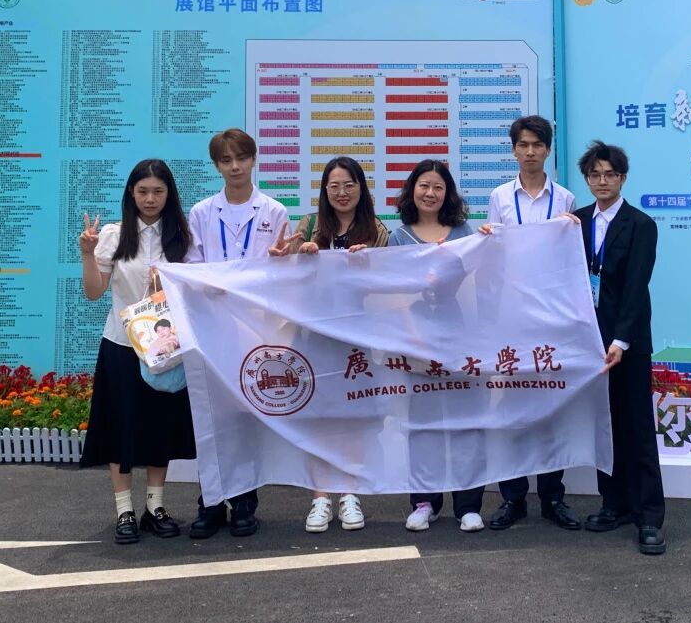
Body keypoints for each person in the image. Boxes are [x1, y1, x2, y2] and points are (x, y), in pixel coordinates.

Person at [78, 159, 197, 545]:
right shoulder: (114, 235)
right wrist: (87, 254)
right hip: (121, 346)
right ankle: (124, 510)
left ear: (169, 194)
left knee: (160, 425)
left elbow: (193, 293)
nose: (150, 199)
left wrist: (166, 286)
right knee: (121, 427)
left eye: (158, 191)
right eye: (143, 191)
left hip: (164, 348)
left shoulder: (181, 236)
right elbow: (94, 292)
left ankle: (155, 507)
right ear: (131, 193)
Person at [270, 155, 389, 532]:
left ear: (361, 189)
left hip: (356, 337)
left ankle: (350, 493)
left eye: (349, 185)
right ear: (324, 190)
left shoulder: (377, 230)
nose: (341, 192)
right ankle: (320, 497)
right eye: (334, 186)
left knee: (353, 418)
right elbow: (285, 277)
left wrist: (367, 265)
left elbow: (389, 282)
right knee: (318, 418)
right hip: (313, 336)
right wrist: (291, 257)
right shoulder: (308, 225)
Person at [185, 128, 289, 539]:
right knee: (211, 418)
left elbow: (281, 274)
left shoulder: (274, 211)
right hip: (211, 327)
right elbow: (192, 266)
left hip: (254, 329)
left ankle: (245, 502)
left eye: (241, 158)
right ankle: (210, 502)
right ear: (216, 166)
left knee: (246, 417)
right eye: (226, 160)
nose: (234, 167)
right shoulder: (201, 212)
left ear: (253, 159)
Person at [480, 115, 581, 532]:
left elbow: (570, 260)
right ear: (513, 150)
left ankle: (553, 497)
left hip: (552, 318)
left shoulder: (566, 200)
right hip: (512, 317)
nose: (530, 152)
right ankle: (513, 498)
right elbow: (492, 256)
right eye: (523, 145)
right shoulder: (500, 196)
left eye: (537, 145)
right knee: (512, 410)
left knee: (551, 409)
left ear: (548, 150)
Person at [575, 140, 666, 555]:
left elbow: (635, 287)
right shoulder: (576, 222)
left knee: (637, 428)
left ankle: (649, 517)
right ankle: (614, 504)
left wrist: (620, 340)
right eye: (595, 174)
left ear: (623, 178)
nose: (602, 181)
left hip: (627, 343)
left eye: (610, 174)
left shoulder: (640, 224)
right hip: (589, 342)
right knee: (605, 426)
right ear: (587, 179)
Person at [387, 159, 486, 533]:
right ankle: (424, 502)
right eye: (424, 185)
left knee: (465, 421)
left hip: (458, 335)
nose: (430, 193)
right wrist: (411, 335)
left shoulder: (463, 232)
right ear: (412, 190)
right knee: (422, 425)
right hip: (415, 337)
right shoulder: (398, 237)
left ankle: (468, 505)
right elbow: (394, 294)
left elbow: (479, 279)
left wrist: (488, 241)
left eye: (438, 187)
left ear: (448, 194)